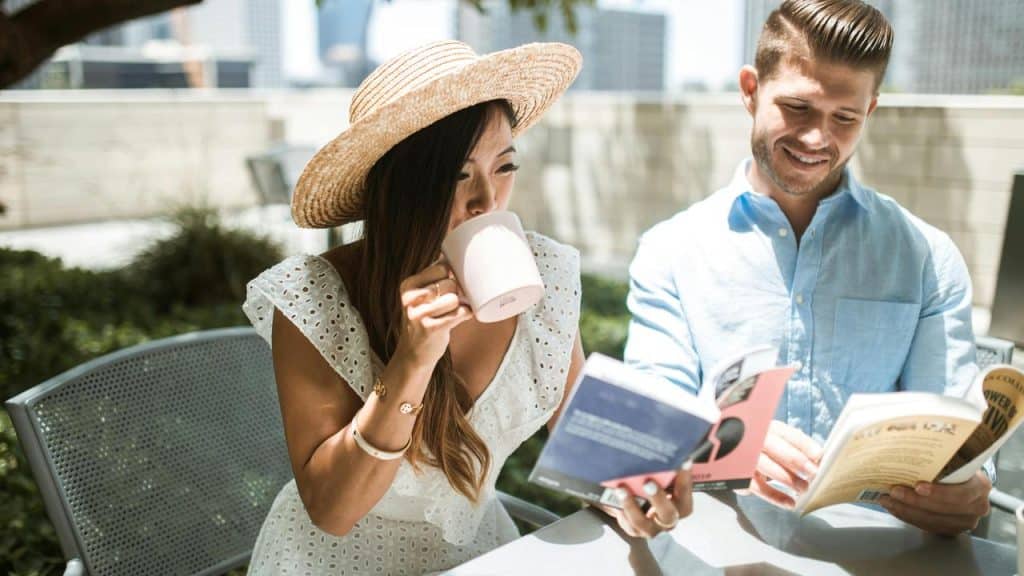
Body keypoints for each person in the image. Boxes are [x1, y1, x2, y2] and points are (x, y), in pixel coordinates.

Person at [242, 41, 693, 575]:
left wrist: (641, 484)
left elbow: (591, 450)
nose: (487, 200)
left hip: (482, 558)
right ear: (401, 187)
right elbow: (332, 510)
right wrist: (411, 362)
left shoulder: (542, 274)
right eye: (459, 176)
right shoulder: (314, 295)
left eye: (503, 167)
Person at [623, 0, 992, 536]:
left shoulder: (927, 258)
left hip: (881, 558)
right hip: (717, 549)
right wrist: (715, 440)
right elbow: (653, 417)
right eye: (797, 108)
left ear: (869, 112)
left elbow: (954, 431)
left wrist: (967, 487)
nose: (818, 139)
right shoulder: (669, 251)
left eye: (844, 117)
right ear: (750, 91)